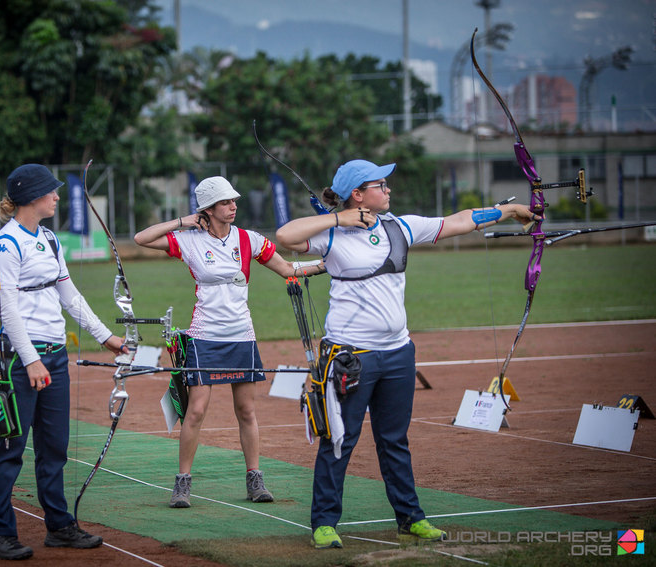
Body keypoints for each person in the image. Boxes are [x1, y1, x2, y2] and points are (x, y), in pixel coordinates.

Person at [275, 159, 539, 549]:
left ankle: (411, 518)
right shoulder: (331, 236)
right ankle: (325, 522)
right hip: (350, 356)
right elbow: (285, 235)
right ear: (357, 194)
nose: (388, 190)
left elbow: (460, 221)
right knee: (339, 440)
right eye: (380, 185)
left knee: (394, 440)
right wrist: (341, 220)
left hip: (398, 353)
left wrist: (511, 210)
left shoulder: (401, 226)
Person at [134, 176, 324, 509]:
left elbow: (289, 269)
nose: (233, 206)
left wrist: (328, 263)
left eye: (234, 200)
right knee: (195, 411)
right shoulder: (189, 240)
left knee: (247, 411)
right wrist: (183, 221)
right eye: (225, 202)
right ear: (207, 209)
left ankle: (255, 479)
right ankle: (182, 484)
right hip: (205, 336)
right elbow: (141, 238)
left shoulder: (249, 239)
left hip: (242, 335)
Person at [0, 164, 127, 560]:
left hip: (55, 357)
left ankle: (60, 526)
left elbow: (70, 295)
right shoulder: (5, 245)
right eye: (52, 192)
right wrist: (30, 361)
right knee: (10, 447)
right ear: (32, 197)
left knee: (55, 447)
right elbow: (8, 312)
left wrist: (106, 337)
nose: (58, 197)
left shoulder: (48, 238)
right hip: (19, 361)